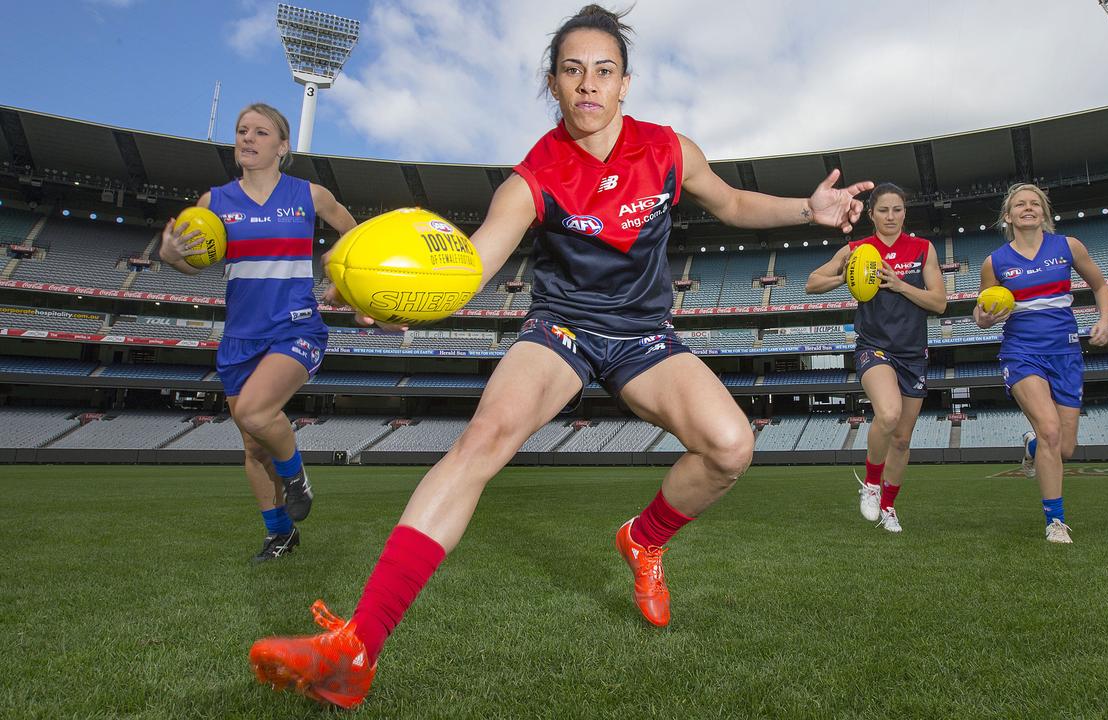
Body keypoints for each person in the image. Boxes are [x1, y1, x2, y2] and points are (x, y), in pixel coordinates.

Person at [247, 5, 873, 709]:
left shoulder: (669, 150)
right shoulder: (533, 175)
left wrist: (806, 209)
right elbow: (472, 265)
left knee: (731, 447)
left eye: (603, 71)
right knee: (482, 441)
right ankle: (359, 646)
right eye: (572, 71)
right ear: (554, 83)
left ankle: (643, 539)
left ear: (625, 83)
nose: (588, 85)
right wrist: (400, 296)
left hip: (643, 335)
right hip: (563, 331)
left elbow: (729, 203)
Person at [158, 103, 357, 562]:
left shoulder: (310, 194)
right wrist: (171, 255)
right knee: (252, 445)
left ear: (282, 147)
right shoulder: (213, 203)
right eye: (241, 131)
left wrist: (341, 283)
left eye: (261, 132)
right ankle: (279, 534)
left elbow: (354, 237)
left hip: (295, 327)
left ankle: (297, 476)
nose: (247, 138)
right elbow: (191, 265)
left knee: (254, 411)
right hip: (239, 338)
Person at [973, 183, 1108, 544]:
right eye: (1020, 204)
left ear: (1044, 212)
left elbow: (1100, 285)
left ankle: (1031, 446)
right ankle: (1055, 522)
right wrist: (985, 319)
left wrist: (1105, 319)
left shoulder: (1068, 246)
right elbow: (981, 309)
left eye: (1035, 203)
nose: (1028, 208)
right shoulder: (996, 261)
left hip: (1065, 352)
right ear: (1009, 215)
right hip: (1021, 351)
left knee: (1063, 447)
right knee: (1051, 429)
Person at [805, 183, 945, 533]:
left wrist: (900, 285)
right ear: (871, 214)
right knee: (888, 413)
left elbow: (940, 303)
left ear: (904, 212)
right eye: (883, 210)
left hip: (913, 353)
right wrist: (846, 275)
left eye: (897, 209)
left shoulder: (923, 249)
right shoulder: (858, 249)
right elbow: (811, 283)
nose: (891, 216)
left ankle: (888, 506)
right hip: (873, 347)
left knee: (901, 438)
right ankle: (870, 483)